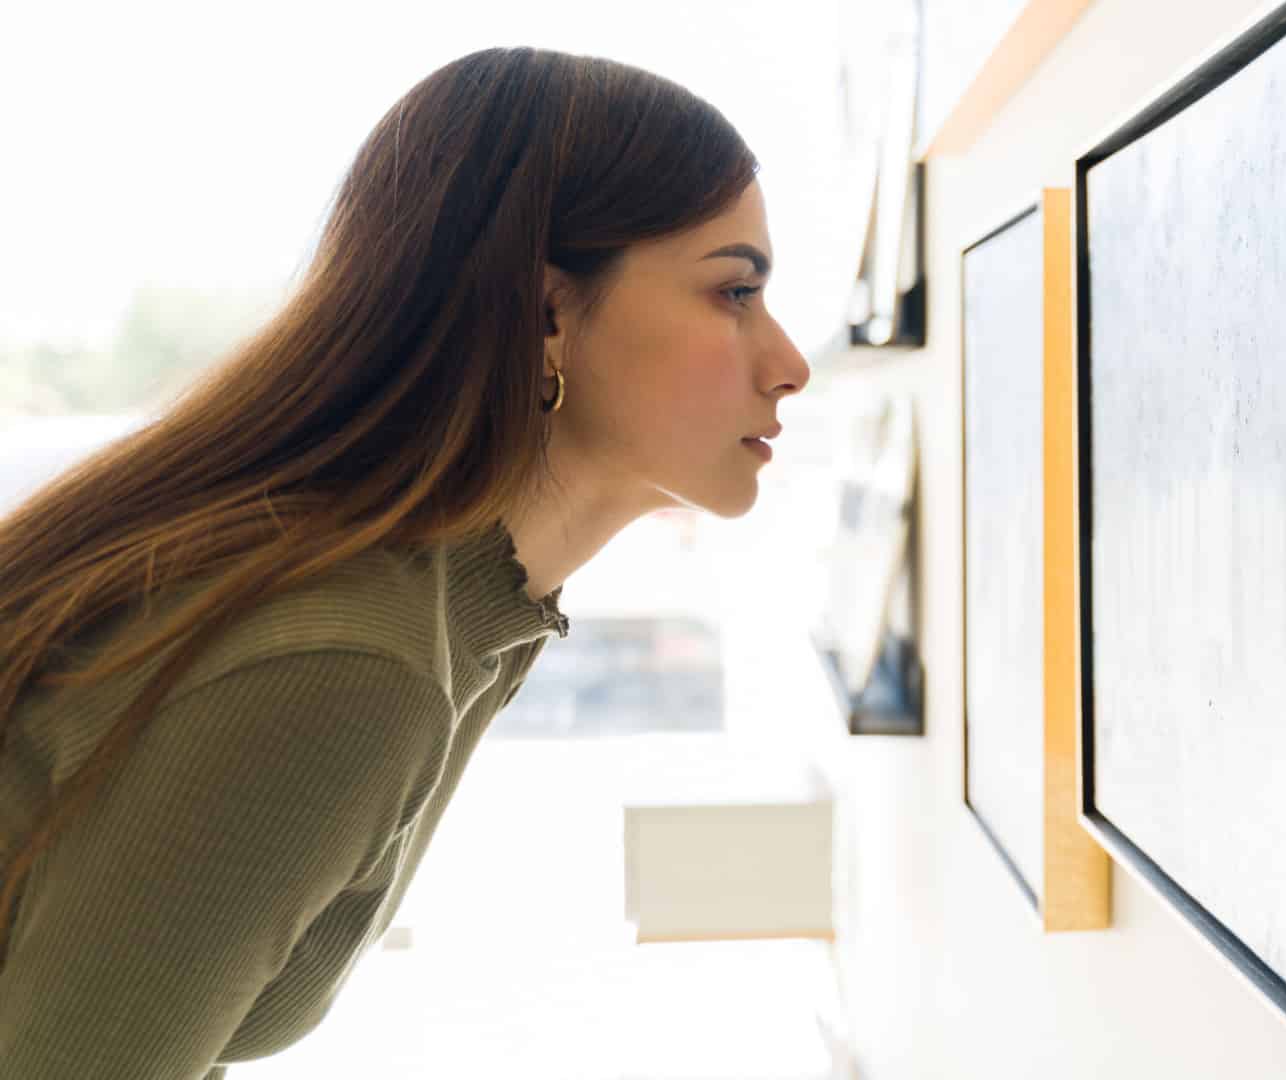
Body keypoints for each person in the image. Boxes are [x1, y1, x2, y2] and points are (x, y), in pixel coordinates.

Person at [0, 46, 809, 1078]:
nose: (788, 364)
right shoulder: (348, 655)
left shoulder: (444, 609)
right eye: (735, 291)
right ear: (547, 312)